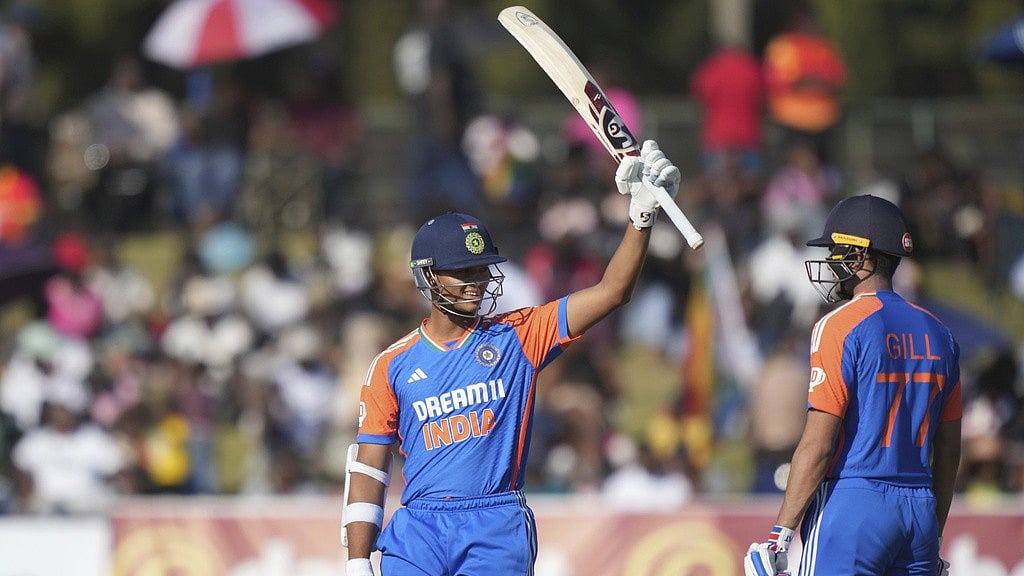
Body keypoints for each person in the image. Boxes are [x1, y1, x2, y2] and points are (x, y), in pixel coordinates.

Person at [343, 140, 680, 576]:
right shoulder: (391, 364)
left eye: (482, 270)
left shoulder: (518, 335)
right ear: (427, 276)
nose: (477, 282)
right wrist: (356, 562)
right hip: (418, 528)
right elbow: (369, 466)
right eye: (462, 271)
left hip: (495, 524)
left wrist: (641, 218)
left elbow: (611, 292)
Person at [744, 194, 962, 576]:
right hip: (921, 509)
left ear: (860, 258)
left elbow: (818, 444)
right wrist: (933, 534)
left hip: (853, 501)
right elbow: (947, 452)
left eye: (836, 252)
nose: (830, 263)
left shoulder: (840, 324)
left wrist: (780, 535)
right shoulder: (941, 334)